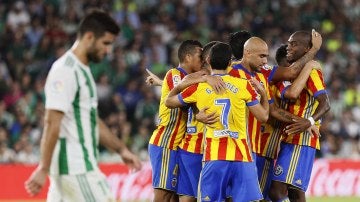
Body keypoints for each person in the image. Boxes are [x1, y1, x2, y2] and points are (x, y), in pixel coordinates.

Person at [24, 10, 142, 201]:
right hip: (76, 168)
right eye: (106, 43)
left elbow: (91, 119)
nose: (108, 50)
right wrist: (43, 168)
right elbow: (51, 122)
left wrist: (121, 149)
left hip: (72, 169)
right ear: (89, 37)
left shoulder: (83, 70)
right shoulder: (65, 70)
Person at [165, 42, 269, 202]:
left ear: (208, 60)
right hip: (242, 156)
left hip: (214, 155)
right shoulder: (244, 85)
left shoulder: (199, 87)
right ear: (230, 63)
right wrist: (263, 93)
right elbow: (263, 117)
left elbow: (169, 101)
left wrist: (183, 84)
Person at [227, 30, 322, 200]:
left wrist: (306, 122)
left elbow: (274, 110)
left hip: (257, 148)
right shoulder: (230, 73)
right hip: (235, 145)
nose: (265, 61)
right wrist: (312, 55)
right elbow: (290, 90)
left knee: (258, 195)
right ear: (247, 51)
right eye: (262, 56)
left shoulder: (263, 75)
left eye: (266, 56)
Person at [146, 41, 221, 202]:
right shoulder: (175, 73)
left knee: (172, 197)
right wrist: (197, 112)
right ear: (188, 57)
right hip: (165, 142)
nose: (203, 60)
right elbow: (182, 96)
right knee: (163, 197)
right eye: (199, 56)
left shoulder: (186, 78)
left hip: (177, 145)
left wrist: (160, 83)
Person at [268, 31, 330, 202]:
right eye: (288, 43)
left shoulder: (312, 72)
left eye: (294, 44)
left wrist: (310, 121)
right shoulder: (290, 77)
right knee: (293, 193)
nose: (289, 47)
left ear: (307, 48)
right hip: (290, 137)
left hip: (301, 139)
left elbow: (325, 103)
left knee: (277, 191)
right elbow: (291, 94)